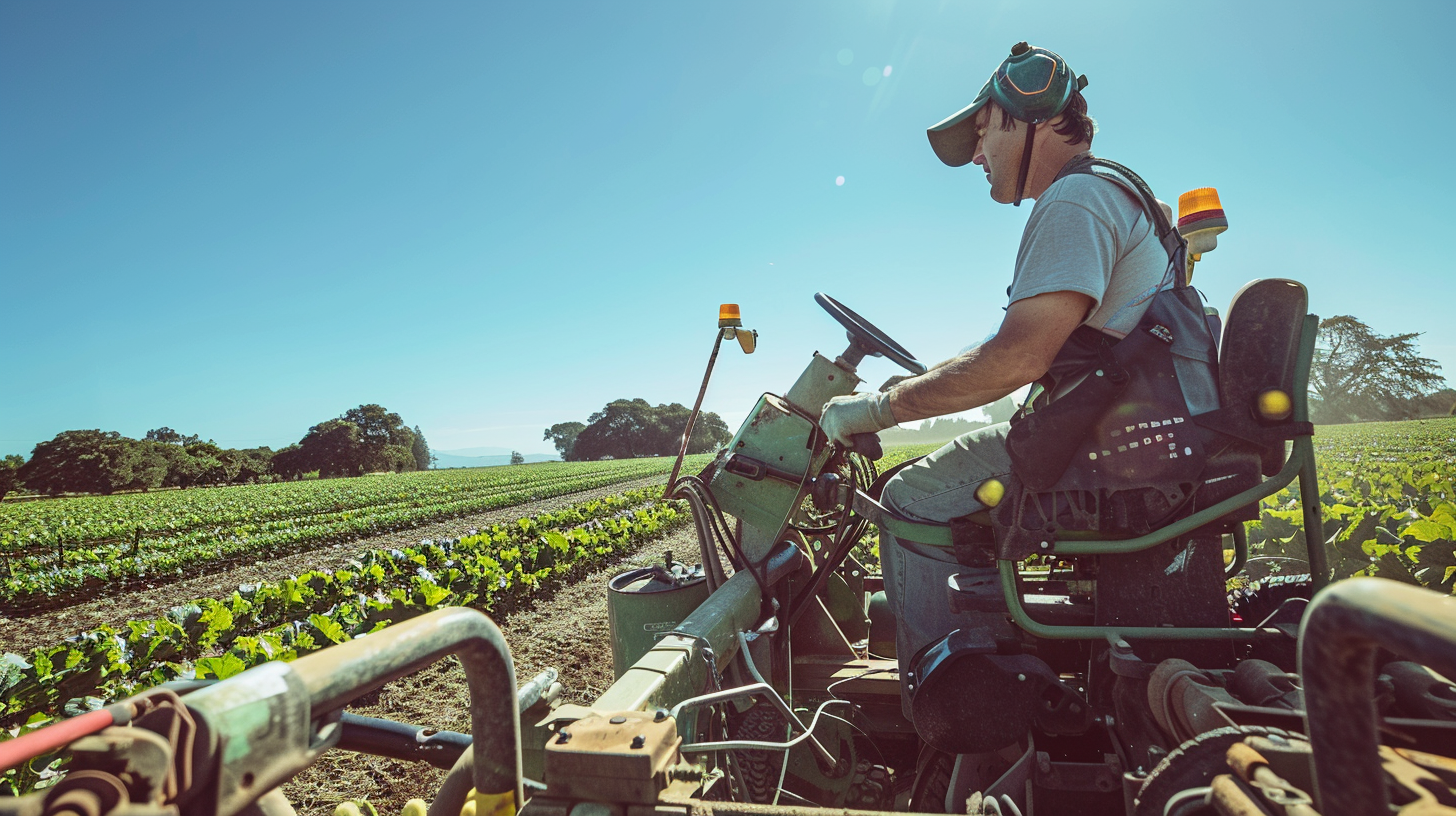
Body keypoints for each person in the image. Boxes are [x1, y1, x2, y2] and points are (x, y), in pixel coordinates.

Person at [818, 43, 1175, 711]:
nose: (978, 156)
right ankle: (987, 638)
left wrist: (870, 413)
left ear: (1026, 118)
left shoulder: (1076, 199)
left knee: (909, 499)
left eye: (983, 134)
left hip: (1095, 448)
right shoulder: (1116, 193)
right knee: (943, 487)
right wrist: (906, 392)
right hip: (1117, 435)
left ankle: (947, 701)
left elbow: (1016, 360)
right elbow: (1002, 345)